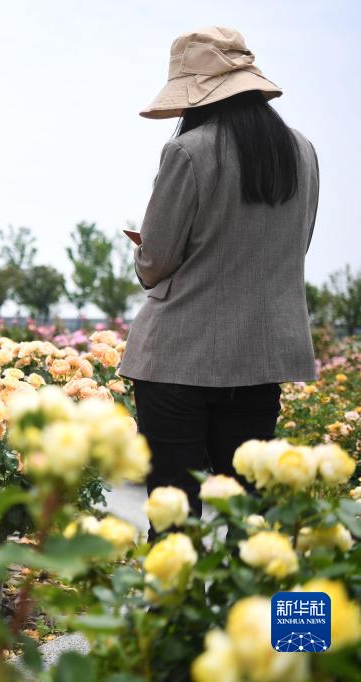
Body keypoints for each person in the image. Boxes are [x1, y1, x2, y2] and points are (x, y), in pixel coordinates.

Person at [119, 27, 320, 521]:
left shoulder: (189, 151)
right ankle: (245, 601)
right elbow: (294, 249)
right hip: (260, 357)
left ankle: (171, 602)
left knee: (174, 516)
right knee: (248, 516)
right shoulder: (304, 152)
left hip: (178, 358)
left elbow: (154, 265)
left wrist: (146, 251)